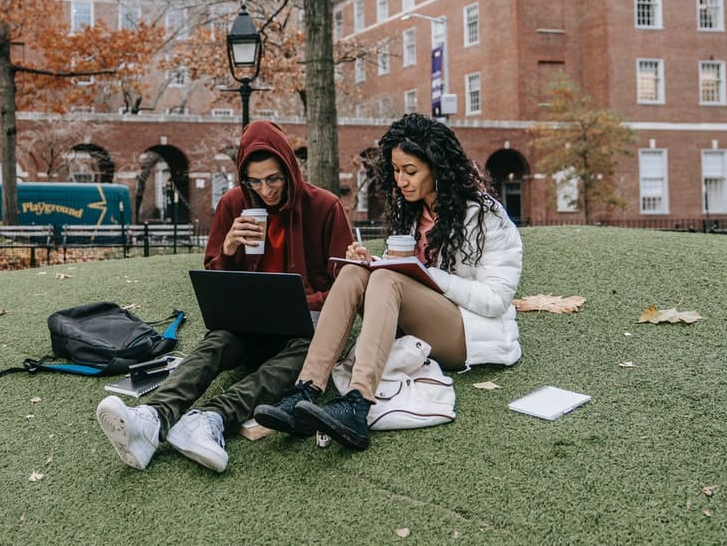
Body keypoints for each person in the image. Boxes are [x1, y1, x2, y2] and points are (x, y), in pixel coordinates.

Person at [95, 120, 353, 473]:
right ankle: (152, 418)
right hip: (249, 325)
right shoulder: (233, 204)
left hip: (303, 327)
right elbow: (215, 281)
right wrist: (229, 248)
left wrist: (304, 302)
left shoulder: (325, 206)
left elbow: (345, 285)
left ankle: (210, 418)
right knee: (217, 340)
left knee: (307, 351)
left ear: (290, 169)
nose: (266, 190)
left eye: (275, 178)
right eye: (255, 181)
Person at [254, 113, 522, 449]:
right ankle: (305, 389)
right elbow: (404, 275)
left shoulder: (485, 216)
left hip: (467, 330)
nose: (401, 181)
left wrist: (423, 274)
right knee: (354, 272)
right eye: (396, 171)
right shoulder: (411, 213)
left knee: (388, 280)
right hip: (415, 321)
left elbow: (496, 298)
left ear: (438, 168)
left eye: (411, 172)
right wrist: (373, 262)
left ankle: (357, 402)